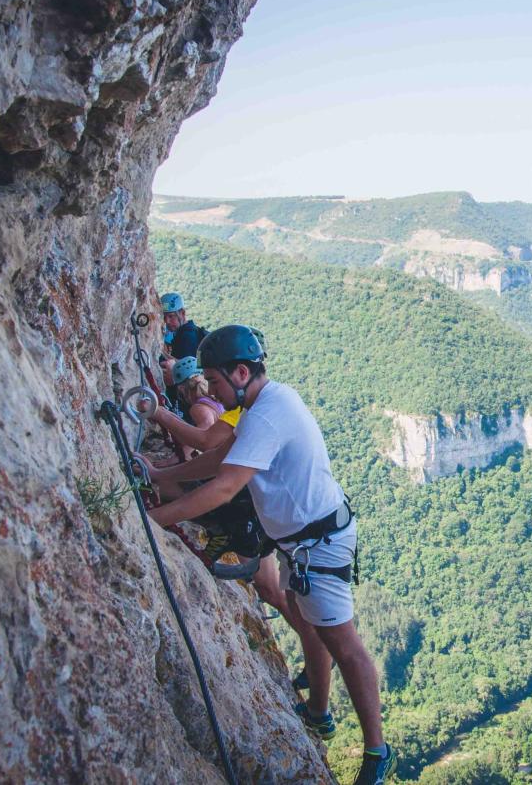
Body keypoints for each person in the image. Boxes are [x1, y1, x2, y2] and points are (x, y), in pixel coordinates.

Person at [149, 325, 397, 784]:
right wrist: (166, 476)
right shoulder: (263, 403)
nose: (214, 394)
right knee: (308, 625)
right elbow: (223, 456)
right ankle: (319, 713)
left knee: (343, 644)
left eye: (218, 383)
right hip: (303, 541)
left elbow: (225, 486)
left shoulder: (263, 415)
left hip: (317, 545)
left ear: (241, 372)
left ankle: (377, 752)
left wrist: (155, 520)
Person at [160, 292, 208, 360]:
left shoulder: (187, 337)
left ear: (182, 313)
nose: (167, 321)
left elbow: (187, 368)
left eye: (171, 316)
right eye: (164, 317)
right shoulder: (189, 331)